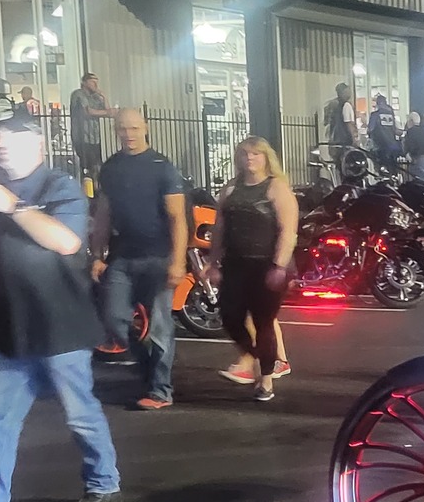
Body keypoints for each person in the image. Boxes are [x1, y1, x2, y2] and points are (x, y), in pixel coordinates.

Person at [0, 122, 120, 502]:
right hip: (7, 328)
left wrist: (13, 206)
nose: (0, 146)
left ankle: (103, 481)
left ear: (37, 143)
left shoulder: (60, 187)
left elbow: (66, 242)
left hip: (60, 325)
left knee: (79, 413)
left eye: (11, 138)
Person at [88, 109, 188, 411]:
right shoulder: (111, 168)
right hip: (122, 257)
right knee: (114, 319)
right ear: (115, 131)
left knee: (159, 326)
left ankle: (160, 390)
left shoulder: (162, 167)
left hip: (159, 257)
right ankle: (147, 371)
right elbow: (103, 215)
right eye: (122, 128)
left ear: (145, 127)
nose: (128, 134)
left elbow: (177, 218)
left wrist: (178, 261)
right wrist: (97, 256)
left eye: (133, 128)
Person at [204, 137, 299, 402]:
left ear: (266, 157)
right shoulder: (231, 188)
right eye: (245, 153)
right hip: (235, 264)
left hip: (266, 265)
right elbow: (219, 228)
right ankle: (260, 358)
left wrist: (279, 266)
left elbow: (288, 230)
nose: (250, 158)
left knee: (263, 322)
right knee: (230, 318)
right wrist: (213, 261)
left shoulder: (276, 188)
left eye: (256, 154)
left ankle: (265, 380)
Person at [69, 73, 113, 184]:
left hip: (94, 136)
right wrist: (106, 112)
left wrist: (104, 97)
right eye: (92, 82)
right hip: (82, 135)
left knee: (96, 163)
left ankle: (96, 186)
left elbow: (108, 111)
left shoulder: (95, 97)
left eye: (96, 82)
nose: (95, 85)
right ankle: (87, 186)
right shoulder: (78, 94)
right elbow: (88, 111)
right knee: (87, 164)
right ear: (84, 82)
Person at [323, 82, 358, 163]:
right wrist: (354, 138)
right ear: (343, 92)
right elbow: (349, 123)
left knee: (338, 162)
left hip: (335, 139)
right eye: (347, 91)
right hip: (345, 140)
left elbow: (326, 122)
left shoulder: (334, 105)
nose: (350, 93)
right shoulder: (346, 105)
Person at [366, 95, 400, 172]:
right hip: (392, 146)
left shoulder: (375, 115)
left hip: (380, 147)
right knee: (392, 169)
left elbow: (370, 129)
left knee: (381, 170)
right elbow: (395, 130)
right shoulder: (391, 114)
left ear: (377, 103)